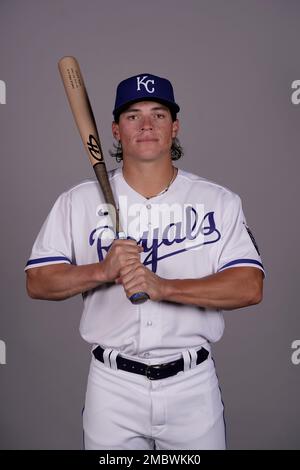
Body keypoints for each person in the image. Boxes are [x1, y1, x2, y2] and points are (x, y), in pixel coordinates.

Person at [25, 73, 265, 450]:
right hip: (112, 385)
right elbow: (38, 282)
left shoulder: (218, 200)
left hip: (193, 385)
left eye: (159, 114)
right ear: (116, 132)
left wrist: (164, 287)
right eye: (133, 115)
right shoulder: (78, 202)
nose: (147, 124)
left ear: (175, 127)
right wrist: (101, 271)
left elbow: (249, 286)